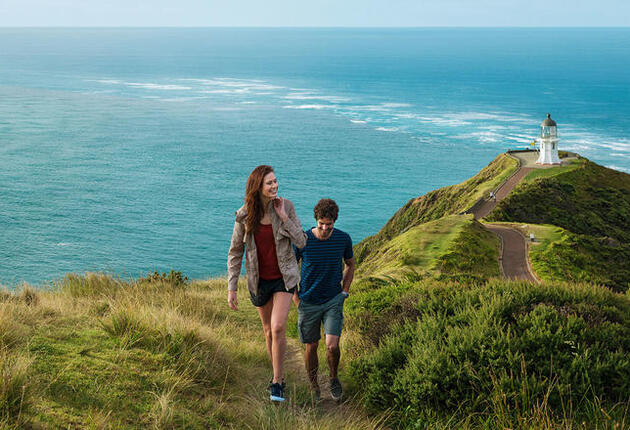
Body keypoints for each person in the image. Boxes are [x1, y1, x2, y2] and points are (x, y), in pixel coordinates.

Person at [227, 165, 306, 403]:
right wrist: (232, 287)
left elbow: (301, 241)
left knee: (278, 327)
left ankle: (277, 382)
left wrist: (283, 217)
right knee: (268, 331)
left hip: (284, 278)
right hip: (258, 281)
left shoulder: (287, 207)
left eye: (275, 181)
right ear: (258, 187)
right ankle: (277, 375)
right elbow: (235, 252)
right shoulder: (243, 215)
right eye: (269, 183)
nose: (275, 186)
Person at [294, 198, 355, 401]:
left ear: (334, 221)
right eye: (321, 223)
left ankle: (333, 378)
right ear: (316, 220)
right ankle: (313, 385)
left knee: (332, 346)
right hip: (308, 301)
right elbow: (290, 269)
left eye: (329, 224)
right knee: (311, 346)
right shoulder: (302, 239)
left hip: (333, 300)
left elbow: (350, 264)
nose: (325, 227)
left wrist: (344, 290)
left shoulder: (343, 239)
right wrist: (295, 298)